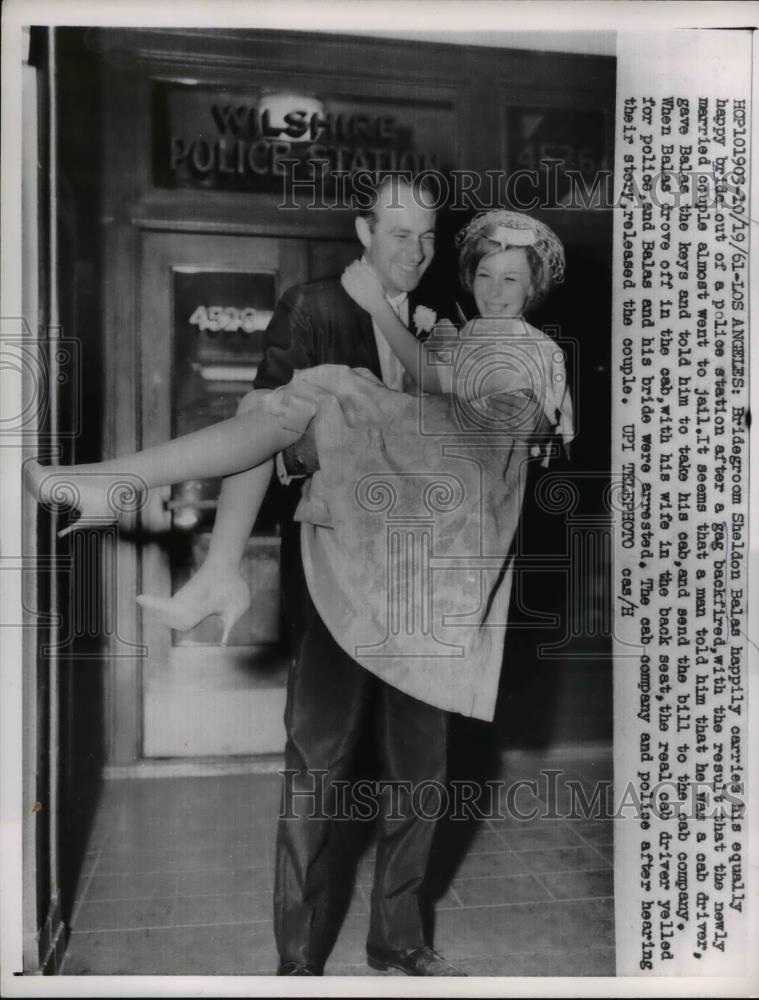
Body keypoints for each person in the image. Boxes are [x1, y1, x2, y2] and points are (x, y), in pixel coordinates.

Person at [26, 190, 570, 976]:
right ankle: (298, 961)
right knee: (317, 766)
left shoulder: (464, 337)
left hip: (432, 588)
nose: (415, 252)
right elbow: (266, 430)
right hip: (339, 572)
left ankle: (399, 938)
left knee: (423, 772)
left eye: (428, 238)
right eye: (397, 234)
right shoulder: (317, 306)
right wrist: (236, 544)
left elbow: (496, 428)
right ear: (362, 233)